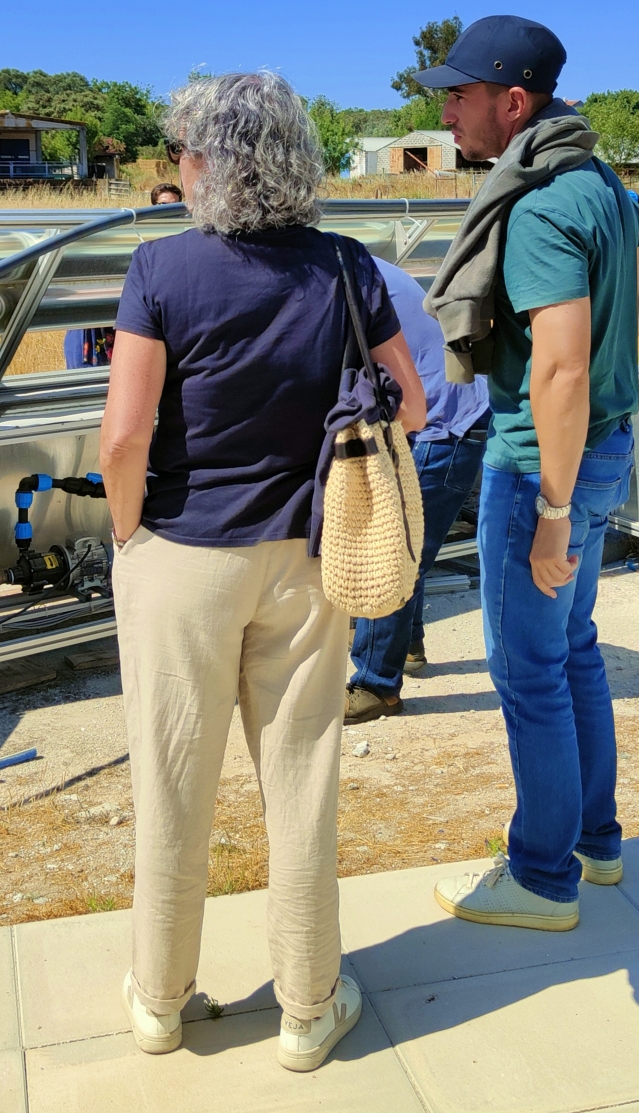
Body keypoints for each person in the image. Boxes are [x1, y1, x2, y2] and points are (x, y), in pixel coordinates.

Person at [99, 71, 426, 1071]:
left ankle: (160, 1003)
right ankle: (307, 1007)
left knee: (170, 782)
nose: (178, 165)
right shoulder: (345, 266)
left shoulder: (159, 267)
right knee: (301, 784)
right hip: (308, 554)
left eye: (182, 151)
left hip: (181, 556)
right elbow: (411, 405)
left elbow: (124, 436)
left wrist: (128, 537)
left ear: (207, 162)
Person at [419, 16, 639, 932]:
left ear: (514, 102)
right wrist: (592, 380)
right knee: (574, 651)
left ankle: (540, 877)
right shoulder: (600, 181)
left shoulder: (534, 207)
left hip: (541, 468)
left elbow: (559, 368)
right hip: (606, 447)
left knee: (528, 672)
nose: (446, 113)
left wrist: (553, 508)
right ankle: (596, 843)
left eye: (459, 94)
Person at [344, 256, 490, 722]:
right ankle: (407, 646)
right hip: (448, 414)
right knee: (412, 542)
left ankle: (375, 684)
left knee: (391, 552)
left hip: (443, 425)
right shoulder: (361, 267)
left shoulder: (345, 282)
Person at [64, 181, 183, 367]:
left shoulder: (184, 237)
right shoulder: (136, 233)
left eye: (175, 206)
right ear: (153, 207)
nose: (169, 211)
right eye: (163, 205)